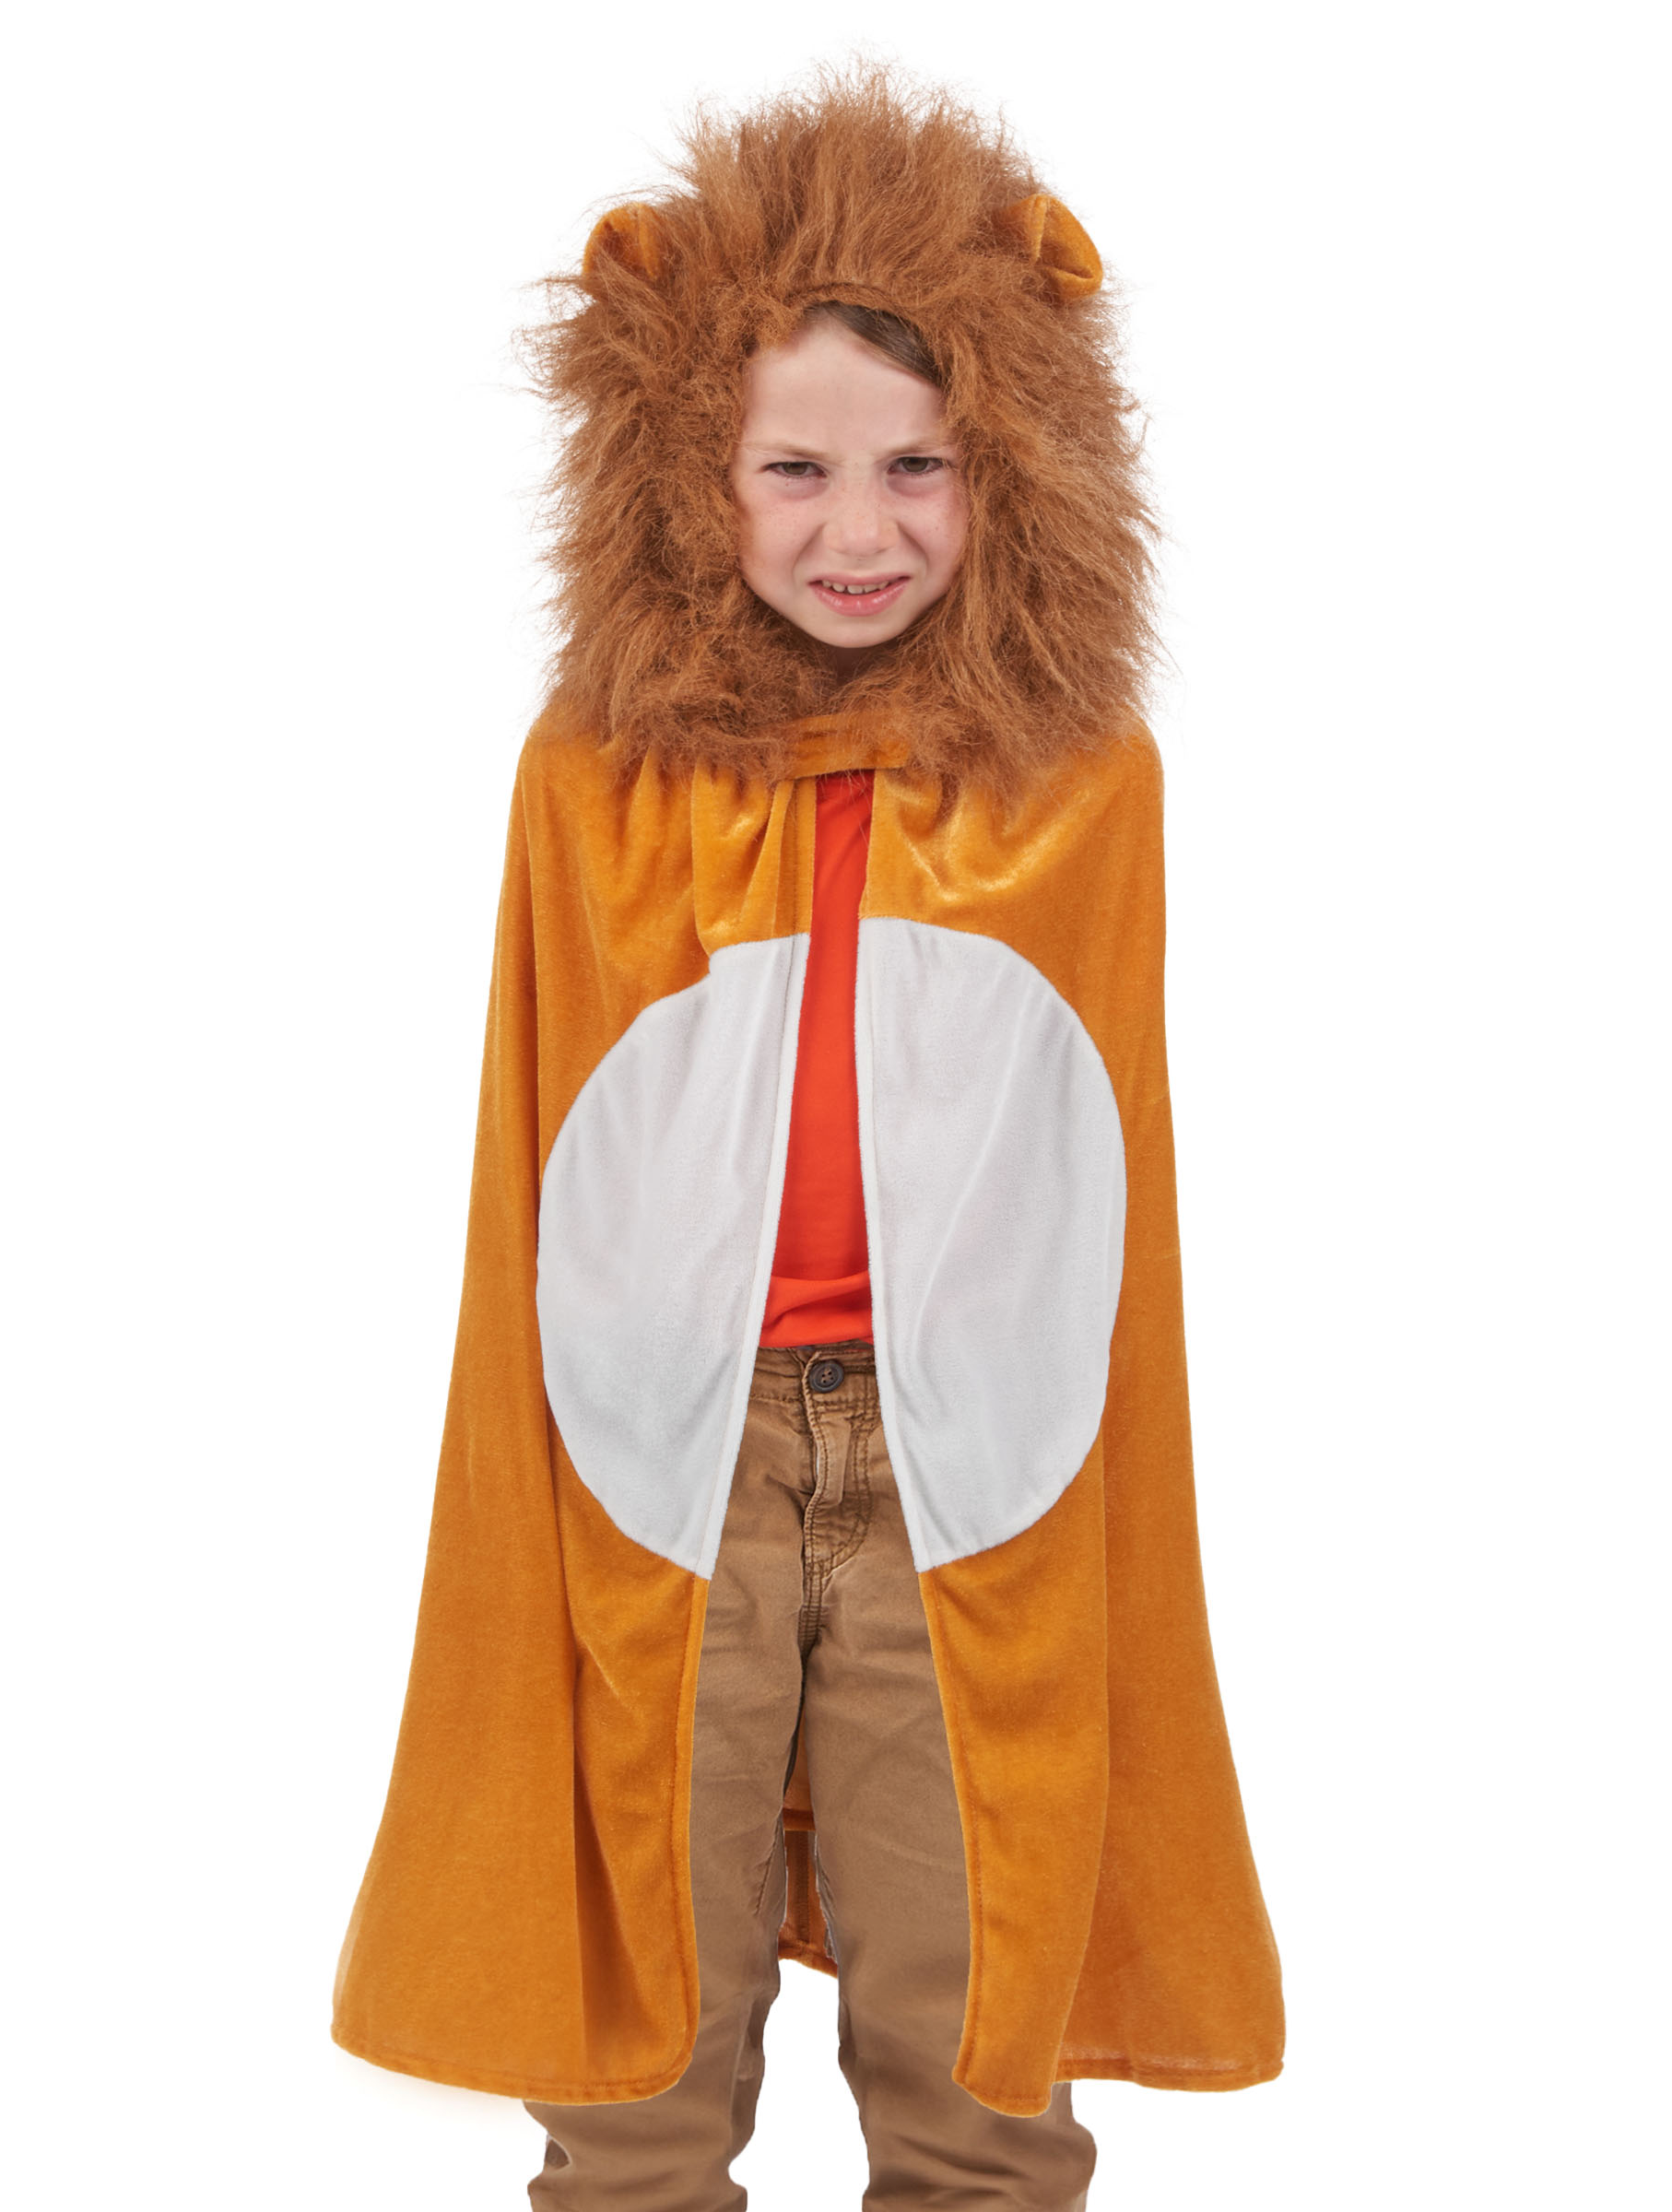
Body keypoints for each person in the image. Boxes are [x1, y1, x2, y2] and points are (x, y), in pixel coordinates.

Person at [332, 63, 1285, 2211]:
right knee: (636, 2043)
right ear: (688, 475)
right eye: (794, 468)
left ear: (1013, 465)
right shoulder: (593, 778)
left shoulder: (1080, 785)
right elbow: (536, 1168)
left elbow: (1095, 1201)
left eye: (919, 465)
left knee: (979, 2028)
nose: (860, 533)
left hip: (973, 1466)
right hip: (665, 1453)